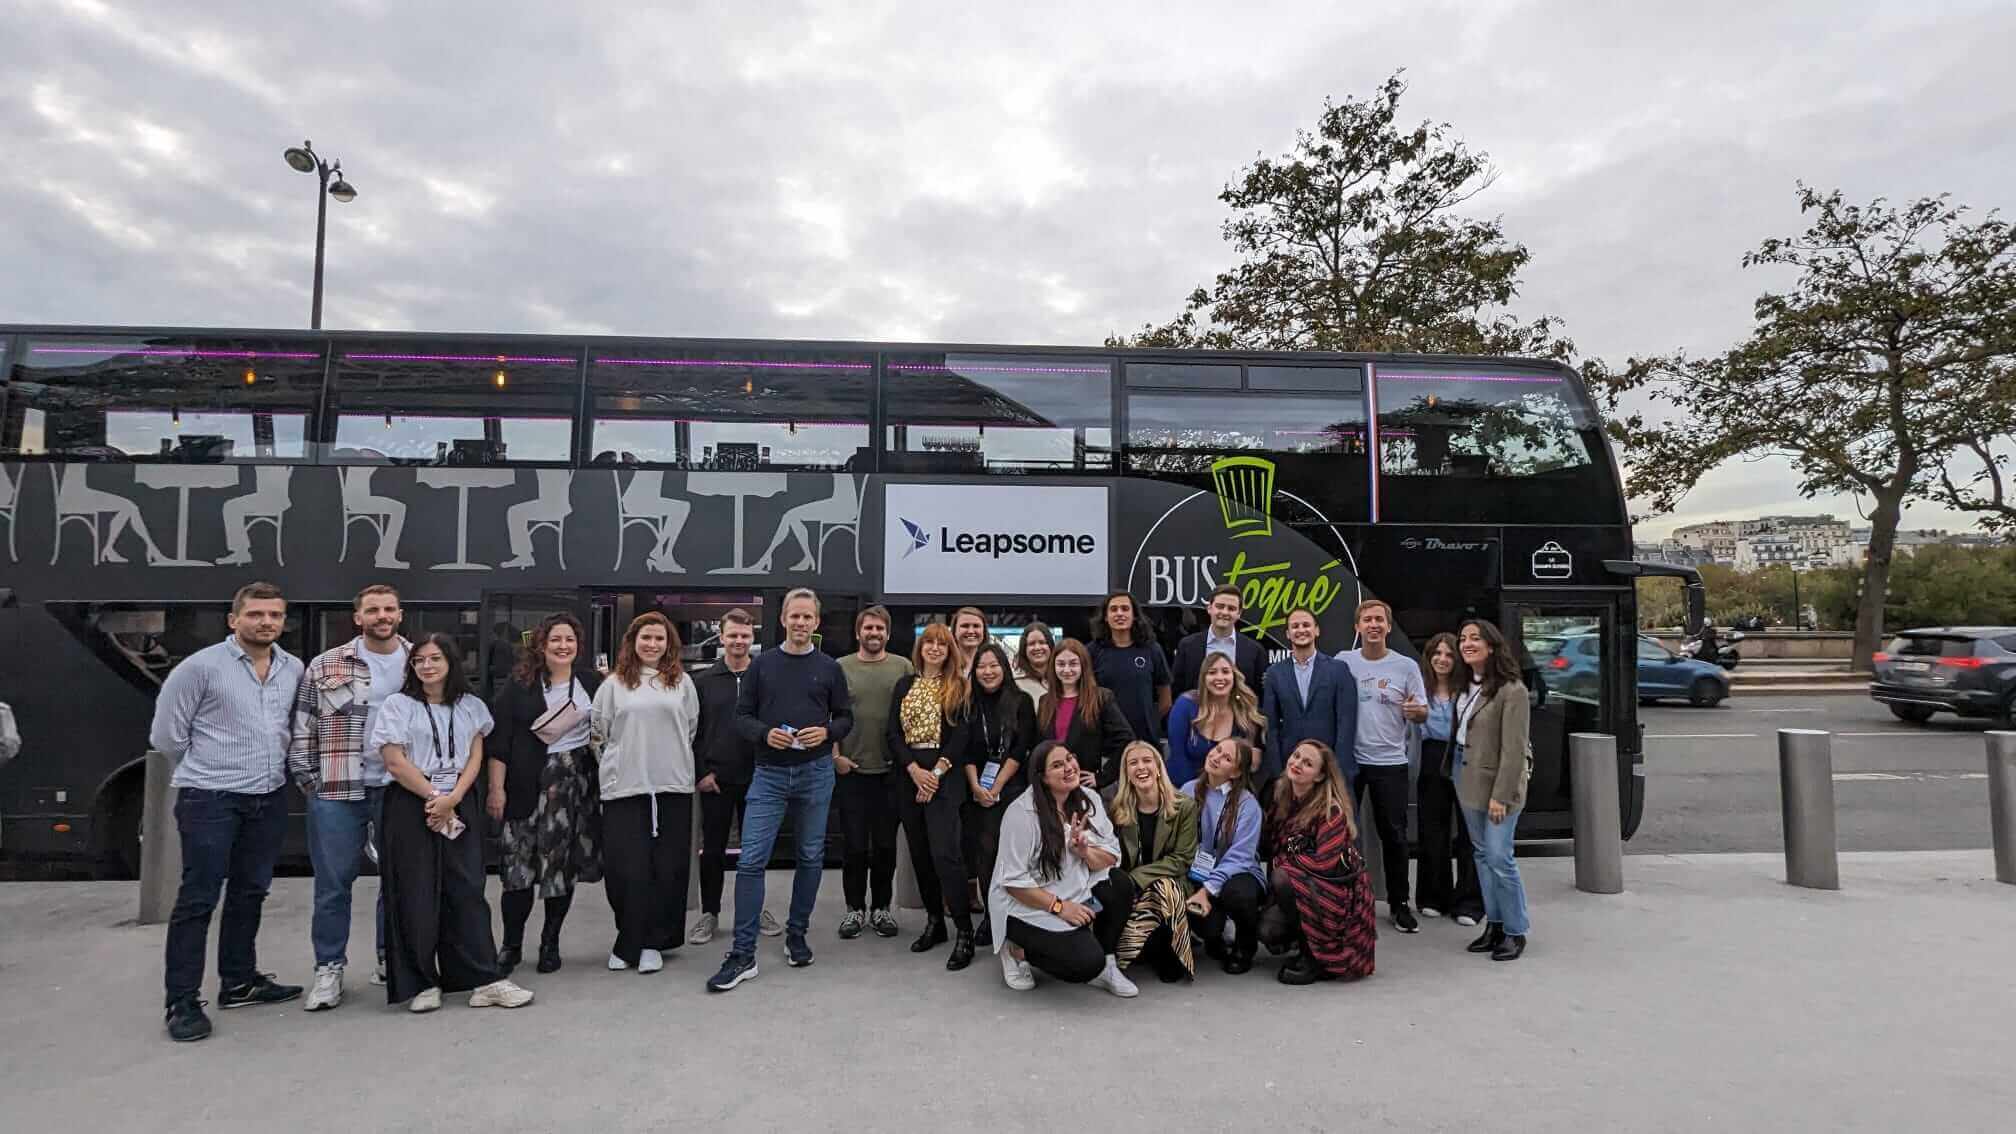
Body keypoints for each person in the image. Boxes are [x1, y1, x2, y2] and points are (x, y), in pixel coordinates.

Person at [150, 582, 304, 1042]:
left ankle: (238, 982)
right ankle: (181, 1001)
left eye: (274, 615)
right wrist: (206, 770)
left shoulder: (292, 668)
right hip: (210, 799)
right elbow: (166, 736)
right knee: (198, 898)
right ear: (233, 620)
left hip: (269, 795)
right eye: (256, 614)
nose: (266, 622)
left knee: (250, 892)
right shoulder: (199, 668)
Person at [370, 634, 534, 1011]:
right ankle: (422, 982)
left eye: (435, 659)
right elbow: (394, 760)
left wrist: (453, 799)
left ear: (451, 663)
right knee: (415, 891)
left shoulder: (471, 706)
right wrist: (434, 799)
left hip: (459, 801)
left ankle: (482, 978)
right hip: (411, 803)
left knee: (467, 889)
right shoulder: (398, 705)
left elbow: (476, 755)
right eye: (419, 661)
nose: (427, 666)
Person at [709, 588, 854, 992]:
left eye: (808, 617)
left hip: (815, 772)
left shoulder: (829, 668)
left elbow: (845, 718)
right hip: (770, 773)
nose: (801, 623)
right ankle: (742, 953)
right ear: (783, 620)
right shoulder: (762, 666)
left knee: (810, 856)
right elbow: (742, 716)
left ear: (817, 622)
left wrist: (826, 731)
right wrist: (763, 733)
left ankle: (797, 934)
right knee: (752, 861)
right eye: (795, 616)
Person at [290, 584, 408, 1011]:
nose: (382, 616)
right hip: (338, 790)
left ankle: (387, 958)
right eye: (373, 610)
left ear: (400, 614)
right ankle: (328, 968)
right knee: (333, 883)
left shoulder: (422, 661)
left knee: (397, 880)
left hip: (399, 788)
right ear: (358, 617)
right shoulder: (326, 664)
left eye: (389, 609)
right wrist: (310, 781)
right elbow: (304, 726)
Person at [488, 613, 603, 976]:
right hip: (526, 784)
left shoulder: (590, 681)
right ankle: (511, 945)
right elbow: (500, 742)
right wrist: (496, 789)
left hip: (575, 787)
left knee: (560, 869)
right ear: (541, 643)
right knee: (517, 869)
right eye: (556, 639)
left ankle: (550, 943)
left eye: (569, 639)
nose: (563, 646)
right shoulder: (520, 683)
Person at [591, 612, 699, 974]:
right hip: (625, 788)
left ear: (669, 644)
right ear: (632, 641)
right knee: (626, 870)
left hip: (671, 786)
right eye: (645, 638)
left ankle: (654, 941)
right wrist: (617, 767)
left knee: (666, 869)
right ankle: (628, 940)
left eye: (659, 639)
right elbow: (598, 733)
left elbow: (691, 729)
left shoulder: (681, 683)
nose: (652, 644)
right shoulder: (614, 685)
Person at [988, 740, 1138, 997]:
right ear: (1043, 778)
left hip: (1074, 889)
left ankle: (1107, 964)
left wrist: (1085, 852)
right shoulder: (1022, 814)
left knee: (1120, 885)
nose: (1070, 768)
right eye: (1058, 765)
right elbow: (1013, 883)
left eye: (1070, 759)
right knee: (1084, 964)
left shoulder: (1088, 798)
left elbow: (1112, 856)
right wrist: (1060, 907)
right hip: (1026, 904)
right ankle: (1017, 950)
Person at [886, 623, 977, 969]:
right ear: (920, 648)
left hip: (945, 777)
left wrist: (935, 774)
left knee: (946, 855)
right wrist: (914, 771)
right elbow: (892, 734)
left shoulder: (959, 686)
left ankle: (964, 931)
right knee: (920, 854)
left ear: (949, 650)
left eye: (942, 644)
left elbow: (961, 736)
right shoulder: (904, 685)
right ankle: (935, 923)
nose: (935, 649)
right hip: (909, 775)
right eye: (929, 643)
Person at [1336, 598, 1428, 933]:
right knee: (1344, 833)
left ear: (1388, 627)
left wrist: (1414, 712)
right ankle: (1346, 899)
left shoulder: (1405, 667)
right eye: (1367, 619)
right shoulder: (1343, 662)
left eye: (1379, 620)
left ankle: (1400, 903)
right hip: (1351, 761)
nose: (1373, 625)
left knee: (1395, 835)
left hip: (1391, 762)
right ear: (1357, 628)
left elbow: (1422, 710)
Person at [690, 609, 779, 944]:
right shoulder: (703, 681)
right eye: (733, 635)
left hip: (760, 776)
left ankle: (754, 911)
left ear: (752, 638)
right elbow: (693, 732)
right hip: (716, 779)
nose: (739, 641)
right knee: (712, 850)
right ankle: (710, 914)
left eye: (745, 635)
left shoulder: (765, 679)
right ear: (721, 636)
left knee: (756, 851)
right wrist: (702, 772)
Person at [1260, 740, 1376, 985]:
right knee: (1268, 929)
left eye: (1308, 763)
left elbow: (1325, 863)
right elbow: (1268, 845)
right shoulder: (1280, 795)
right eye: (1296, 756)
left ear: (1320, 775)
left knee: (1283, 876)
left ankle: (1313, 956)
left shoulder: (1330, 809)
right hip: (1302, 884)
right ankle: (1301, 939)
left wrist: (1284, 863)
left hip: (1337, 891)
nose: (1298, 764)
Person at [1456, 619, 1534, 962]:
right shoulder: (1466, 685)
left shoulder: (1512, 690)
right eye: (1463, 639)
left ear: (1492, 646)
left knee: (1501, 858)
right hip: (1467, 778)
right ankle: (1495, 924)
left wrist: (1501, 796)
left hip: (1498, 786)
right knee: (1482, 857)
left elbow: (1514, 750)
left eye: (1475, 638)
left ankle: (1515, 931)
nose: (1467, 643)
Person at [835, 606, 913, 940]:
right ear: (858, 632)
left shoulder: (903, 667)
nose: (874, 633)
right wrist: (835, 756)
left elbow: (913, 718)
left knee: (884, 846)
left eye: (880, 628)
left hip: (891, 772)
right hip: (851, 770)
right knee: (853, 846)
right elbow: (829, 715)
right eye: (868, 628)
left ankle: (881, 908)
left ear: (888, 633)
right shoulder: (840, 667)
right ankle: (854, 910)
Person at [963, 641, 1036, 948]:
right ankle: (991, 917)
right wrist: (977, 788)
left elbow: (1022, 747)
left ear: (1004, 668)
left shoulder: (1020, 701)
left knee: (1011, 853)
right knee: (984, 853)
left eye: (994, 665)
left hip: (1012, 788)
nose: (988, 671)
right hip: (976, 788)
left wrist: (995, 787)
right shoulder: (968, 703)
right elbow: (964, 748)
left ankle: (1015, 912)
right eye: (982, 666)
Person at [1110, 740, 1200, 983]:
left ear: (1158, 767)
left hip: (1170, 885)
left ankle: (1171, 950)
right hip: (1131, 890)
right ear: (1126, 773)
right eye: (1133, 762)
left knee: (1163, 888)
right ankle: (1134, 947)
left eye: (1147, 760)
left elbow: (1181, 859)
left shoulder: (1184, 807)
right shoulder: (1117, 809)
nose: (1141, 767)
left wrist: (1137, 879)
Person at [1181, 739, 1267, 974]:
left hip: (1237, 874)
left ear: (1237, 772)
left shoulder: (1247, 804)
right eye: (1217, 750)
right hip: (1197, 871)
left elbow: (1240, 856)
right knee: (1206, 922)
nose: (1216, 757)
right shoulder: (1188, 790)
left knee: (1239, 894)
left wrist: (1207, 889)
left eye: (1227, 758)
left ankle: (1245, 945)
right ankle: (1213, 937)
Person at [1415, 632, 1484, 926]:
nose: (1442, 660)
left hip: (1464, 756)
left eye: (1449, 655)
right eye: (1437, 654)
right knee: (1432, 829)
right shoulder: (1419, 690)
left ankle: (1469, 901)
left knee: (1469, 831)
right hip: (1431, 758)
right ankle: (1433, 896)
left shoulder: (1470, 690)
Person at [1258, 607, 1358, 785]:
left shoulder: (1338, 669)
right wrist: (1277, 770)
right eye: (1295, 626)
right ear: (1288, 634)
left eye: (1306, 625)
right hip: (1290, 765)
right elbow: (1270, 726)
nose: (1301, 630)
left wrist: (1340, 768)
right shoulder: (1275, 673)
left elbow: (1346, 722)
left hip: (1329, 764)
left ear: (1316, 630)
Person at [1038, 638, 1134, 789]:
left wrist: (1103, 777)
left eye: (1073, 664)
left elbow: (1126, 739)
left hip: (1083, 786)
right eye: (1061, 664)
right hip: (1052, 786)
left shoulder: (1101, 697)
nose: (1067, 670)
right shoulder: (1045, 701)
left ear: (1083, 666)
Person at [1164, 652, 1265, 787]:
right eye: (1212, 672)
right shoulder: (1185, 705)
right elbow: (1178, 757)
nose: (1219, 677)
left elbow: (1244, 768)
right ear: (1203, 678)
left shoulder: (1244, 715)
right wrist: (1194, 795)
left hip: (1224, 790)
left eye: (1225, 672)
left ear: (1234, 676)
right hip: (1182, 788)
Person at [1088, 590, 1172, 747]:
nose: (1119, 613)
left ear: (1134, 616)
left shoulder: (1152, 649)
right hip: (1107, 743)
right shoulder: (1093, 652)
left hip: (1146, 741)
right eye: (1113, 609)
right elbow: (1088, 697)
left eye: (1125, 609)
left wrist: (1150, 720)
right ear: (1105, 617)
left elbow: (1165, 699)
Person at [1170, 584, 1265, 696]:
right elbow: (1177, 690)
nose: (1225, 612)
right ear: (1209, 608)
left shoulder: (1254, 650)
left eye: (1231, 608)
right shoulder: (1187, 646)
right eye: (1220, 606)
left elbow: (1259, 695)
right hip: (1198, 712)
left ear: (1239, 613)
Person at [1013, 621, 1054, 705]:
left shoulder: (1062, 678)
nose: (1037, 647)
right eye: (1031, 644)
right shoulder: (1015, 683)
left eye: (1042, 642)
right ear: (1024, 649)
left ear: (1050, 646)